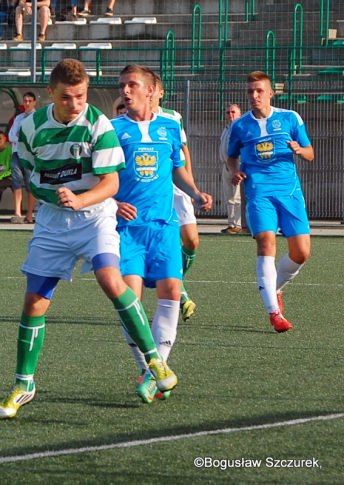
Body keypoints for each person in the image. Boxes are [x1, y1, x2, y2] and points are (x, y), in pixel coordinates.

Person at [0, 58, 177, 419]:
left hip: (95, 215)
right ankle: (24, 383)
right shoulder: (29, 127)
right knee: (34, 302)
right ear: (51, 93)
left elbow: (111, 184)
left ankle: (155, 362)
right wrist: (49, 195)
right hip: (52, 221)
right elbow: (31, 175)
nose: (75, 104)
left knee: (111, 280)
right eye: (66, 98)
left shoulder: (99, 124)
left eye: (80, 96)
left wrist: (79, 199)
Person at [112, 64, 212, 403]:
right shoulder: (112, 130)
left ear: (151, 91)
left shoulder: (170, 127)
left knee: (171, 292)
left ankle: (155, 373)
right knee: (131, 302)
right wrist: (113, 201)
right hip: (127, 230)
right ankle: (152, 370)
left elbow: (177, 167)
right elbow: (98, 176)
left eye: (132, 85)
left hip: (164, 226)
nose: (126, 91)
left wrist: (196, 192)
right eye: (123, 85)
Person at [227, 70, 314, 333]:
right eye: (250, 91)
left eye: (259, 91)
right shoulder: (240, 125)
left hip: (289, 193)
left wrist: (299, 149)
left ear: (270, 93)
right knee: (267, 242)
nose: (254, 96)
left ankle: (274, 289)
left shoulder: (290, 118)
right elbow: (232, 156)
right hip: (259, 193)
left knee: (301, 252)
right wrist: (234, 171)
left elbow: (310, 152)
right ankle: (274, 313)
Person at [151, 74, 199, 322]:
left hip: (177, 186)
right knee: (162, 243)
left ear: (160, 93)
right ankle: (178, 293)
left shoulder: (172, 117)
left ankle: (175, 284)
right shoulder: (128, 120)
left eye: (155, 90)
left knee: (191, 241)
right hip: (152, 189)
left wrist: (191, 188)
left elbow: (183, 151)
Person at [7, 91, 37, 224]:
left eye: (30, 101)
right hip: (17, 153)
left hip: (29, 155)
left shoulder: (37, 117)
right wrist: (21, 140)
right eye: (25, 101)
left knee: (30, 183)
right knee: (16, 180)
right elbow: (11, 136)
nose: (27, 103)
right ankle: (17, 212)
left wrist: (22, 140)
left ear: (34, 102)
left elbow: (34, 137)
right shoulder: (18, 118)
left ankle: (30, 213)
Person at [220, 103, 243, 233]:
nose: (230, 115)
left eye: (233, 112)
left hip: (236, 165)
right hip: (225, 165)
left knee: (237, 195)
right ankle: (231, 223)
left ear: (239, 114)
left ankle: (238, 224)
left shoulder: (239, 128)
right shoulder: (226, 128)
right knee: (228, 195)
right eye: (228, 112)